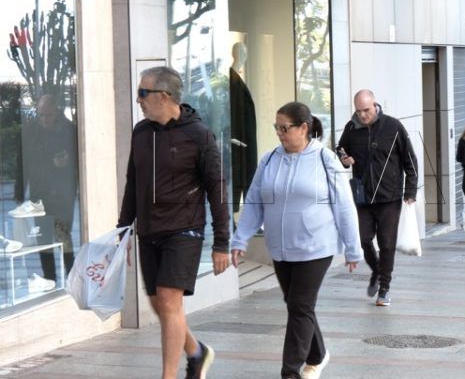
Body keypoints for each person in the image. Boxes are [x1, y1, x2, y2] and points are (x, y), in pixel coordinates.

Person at [232, 102, 362, 379]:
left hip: (316, 246)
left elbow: (344, 206)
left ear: (303, 128)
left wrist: (353, 248)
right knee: (296, 304)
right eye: (276, 128)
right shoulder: (269, 159)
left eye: (284, 128)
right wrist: (240, 239)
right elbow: (254, 201)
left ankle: (290, 373)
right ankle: (318, 354)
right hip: (280, 247)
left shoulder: (325, 159)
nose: (279, 133)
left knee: (300, 307)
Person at [117, 66, 230, 379]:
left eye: (143, 93)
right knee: (160, 305)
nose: (138, 100)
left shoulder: (199, 135)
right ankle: (197, 352)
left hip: (184, 230)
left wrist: (222, 242)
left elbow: (217, 189)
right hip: (149, 231)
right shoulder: (141, 132)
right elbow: (133, 182)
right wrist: (123, 229)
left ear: (164, 96)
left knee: (168, 300)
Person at [337, 89, 418, 306]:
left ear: (375, 105)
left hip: (389, 196)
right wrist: (344, 158)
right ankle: (377, 270)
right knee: (363, 239)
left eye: (366, 110)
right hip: (363, 196)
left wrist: (410, 191)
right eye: (358, 111)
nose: (362, 115)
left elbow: (410, 159)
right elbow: (341, 149)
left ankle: (384, 288)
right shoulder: (351, 128)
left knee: (386, 244)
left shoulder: (393, 126)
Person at [14, 94, 78, 280]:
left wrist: (66, 163)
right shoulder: (30, 131)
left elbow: (80, 158)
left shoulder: (68, 129)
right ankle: (50, 278)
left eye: (48, 115)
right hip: (40, 193)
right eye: (41, 115)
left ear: (56, 111)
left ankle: (71, 276)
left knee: (63, 236)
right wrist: (19, 192)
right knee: (43, 239)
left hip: (62, 193)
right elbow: (23, 163)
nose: (44, 119)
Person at [229, 42, 258, 218]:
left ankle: (248, 217)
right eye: (242, 52)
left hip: (243, 139)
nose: (245, 56)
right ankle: (236, 218)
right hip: (239, 140)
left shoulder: (236, 78)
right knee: (240, 177)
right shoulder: (231, 80)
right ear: (236, 54)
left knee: (246, 177)